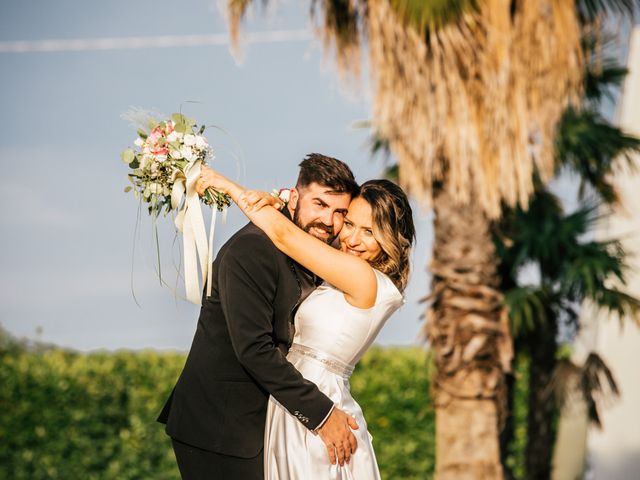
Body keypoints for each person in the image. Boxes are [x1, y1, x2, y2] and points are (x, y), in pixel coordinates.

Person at [197, 166, 416, 479]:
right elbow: (301, 232)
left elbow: (285, 237)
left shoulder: (363, 277)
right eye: (350, 223)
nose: (352, 239)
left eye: (369, 232)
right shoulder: (348, 268)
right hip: (296, 400)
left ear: (390, 239)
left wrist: (225, 185)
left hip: (317, 401)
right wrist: (281, 203)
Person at [158, 154, 361, 479]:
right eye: (319, 205)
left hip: (261, 426)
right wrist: (322, 415)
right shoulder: (251, 251)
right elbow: (254, 349)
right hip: (218, 428)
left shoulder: (309, 248)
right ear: (293, 198)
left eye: (340, 212)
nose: (329, 221)